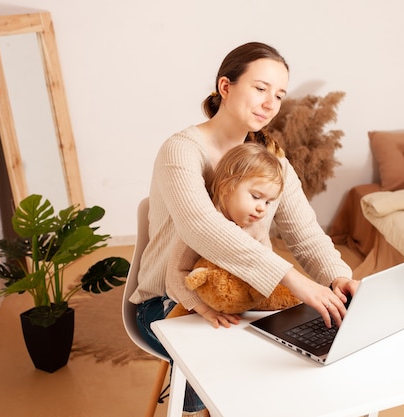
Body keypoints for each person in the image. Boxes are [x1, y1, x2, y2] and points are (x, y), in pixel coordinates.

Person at [129, 41, 359, 417]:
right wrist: (292, 279)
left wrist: (338, 277)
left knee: (315, 345)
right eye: (260, 88)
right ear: (225, 87)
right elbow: (202, 227)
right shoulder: (181, 151)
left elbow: (305, 233)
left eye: (280, 95)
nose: (271, 103)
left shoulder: (272, 162)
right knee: (234, 368)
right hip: (173, 301)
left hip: (248, 297)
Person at [167, 142, 286, 327]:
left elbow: (266, 267)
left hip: (239, 305)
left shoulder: (258, 229)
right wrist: (204, 310)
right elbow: (176, 273)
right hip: (190, 303)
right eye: (256, 196)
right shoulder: (200, 223)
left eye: (268, 202)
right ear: (227, 186)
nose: (262, 208)